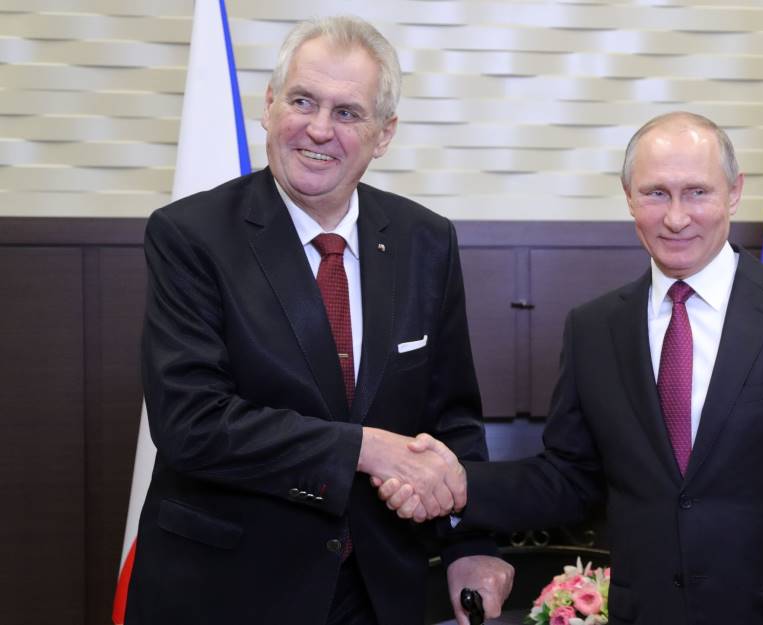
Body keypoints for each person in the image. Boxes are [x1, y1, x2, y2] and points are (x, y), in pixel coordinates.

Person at [382, 112, 763, 624]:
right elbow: (567, 480)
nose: (676, 217)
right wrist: (456, 484)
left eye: (697, 191)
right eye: (656, 193)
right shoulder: (593, 328)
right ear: (629, 197)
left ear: (734, 192)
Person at [126, 16, 512, 625]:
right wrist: (365, 449)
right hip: (227, 590)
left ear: (384, 134)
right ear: (270, 104)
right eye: (303, 101)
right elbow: (190, 422)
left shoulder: (425, 241)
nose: (318, 129)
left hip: (379, 589)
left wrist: (470, 543)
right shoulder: (190, 236)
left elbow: (452, 415)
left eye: (348, 112)